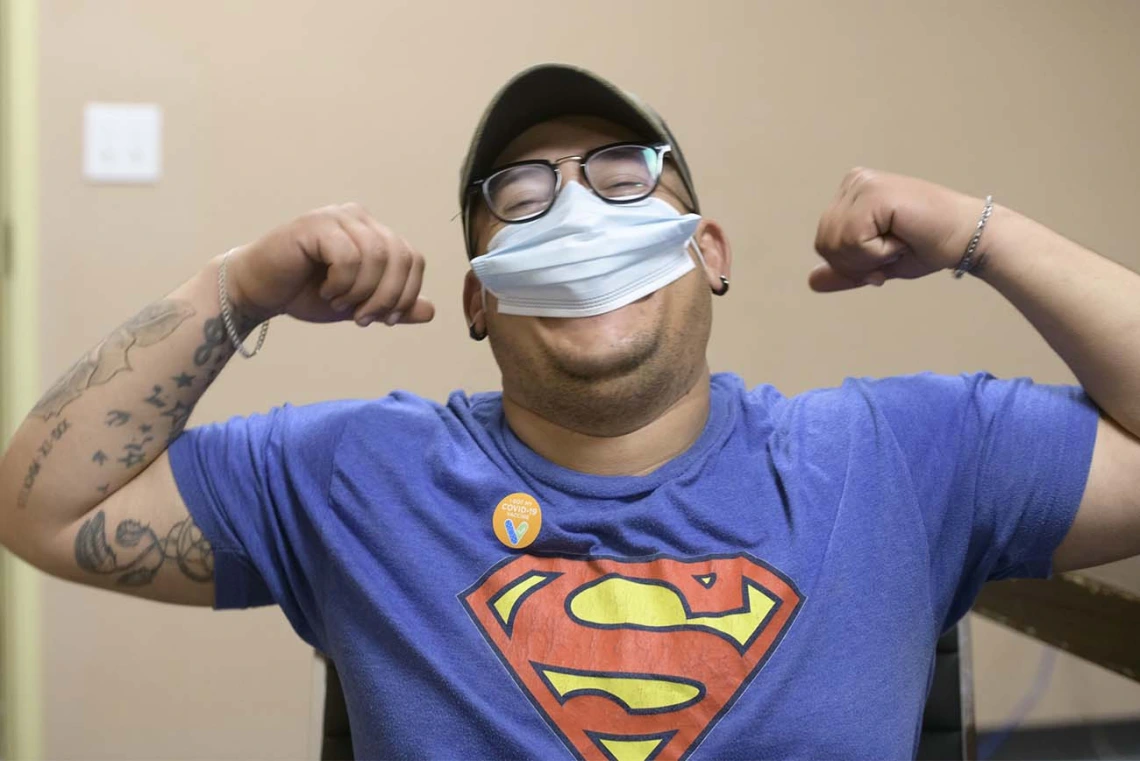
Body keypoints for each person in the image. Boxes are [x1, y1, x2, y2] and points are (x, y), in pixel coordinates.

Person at [1, 62, 1139, 760]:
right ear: (478, 304)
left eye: (623, 178)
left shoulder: (900, 453)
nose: (578, 217)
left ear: (712, 253)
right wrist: (237, 284)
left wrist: (981, 235)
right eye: (523, 197)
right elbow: (45, 509)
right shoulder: (361, 474)